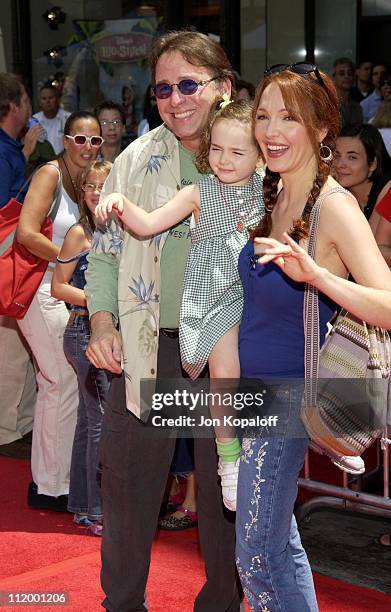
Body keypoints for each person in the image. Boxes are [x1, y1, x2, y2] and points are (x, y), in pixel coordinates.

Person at [85, 30, 242, 612]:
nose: (174, 99)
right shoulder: (134, 159)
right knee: (127, 491)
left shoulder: (258, 156)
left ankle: (224, 603)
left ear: (223, 88)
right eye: (162, 89)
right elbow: (101, 254)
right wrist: (102, 325)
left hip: (230, 354)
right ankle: (122, 604)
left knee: (231, 493)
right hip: (149, 351)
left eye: (188, 85)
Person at [233, 62, 391, 612]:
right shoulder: (269, 194)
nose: (271, 132)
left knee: (256, 546)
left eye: (289, 119)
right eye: (264, 116)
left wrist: (319, 277)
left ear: (321, 129)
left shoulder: (334, 206)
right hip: (254, 393)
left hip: (294, 398)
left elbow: (390, 304)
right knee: (275, 538)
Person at [96, 99, 264, 510]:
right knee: (226, 375)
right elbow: (148, 224)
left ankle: (326, 432)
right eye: (216, 149)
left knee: (278, 372)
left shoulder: (271, 191)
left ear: (260, 155)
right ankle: (229, 462)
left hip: (258, 298)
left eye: (237, 152)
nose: (224, 160)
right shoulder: (197, 192)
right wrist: (119, 202)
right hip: (218, 296)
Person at [16, 111, 104, 511]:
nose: (88, 147)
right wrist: (74, 257)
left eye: (95, 140)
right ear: (65, 140)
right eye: (80, 139)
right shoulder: (50, 175)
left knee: (61, 383)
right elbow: (26, 233)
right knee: (59, 382)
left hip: (65, 292)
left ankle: (58, 479)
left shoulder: (86, 180)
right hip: (40, 290)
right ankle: (51, 485)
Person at [51, 160, 112, 535]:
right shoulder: (80, 233)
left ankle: (84, 505)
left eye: (103, 186)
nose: (95, 193)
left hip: (94, 332)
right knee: (99, 422)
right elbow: (58, 287)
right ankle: (96, 509)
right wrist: (100, 299)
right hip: (83, 333)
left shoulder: (116, 230)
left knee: (89, 420)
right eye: (90, 186)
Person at [0, 73, 42, 460]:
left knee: (21, 348)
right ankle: (7, 430)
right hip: (7, 262)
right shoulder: (2, 151)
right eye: (26, 99)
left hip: (17, 259)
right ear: (14, 105)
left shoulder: (10, 149)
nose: (30, 107)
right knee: (11, 348)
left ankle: (22, 424)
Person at [333, 123, 391, 233]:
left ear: (372, 164)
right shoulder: (333, 191)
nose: (340, 164)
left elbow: (372, 245)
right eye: (337, 155)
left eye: (352, 157)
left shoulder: (388, 188)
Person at [33, 84, 70, 155]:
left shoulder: (69, 118)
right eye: (44, 98)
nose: (48, 101)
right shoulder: (34, 120)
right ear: (39, 102)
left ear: (57, 100)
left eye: (51, 98)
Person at [332, 57, 363, 127]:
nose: (347, 76)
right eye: (342, 73)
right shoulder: (329, 105)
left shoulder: (357, 107)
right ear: (334, 78)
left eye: (350, 73)